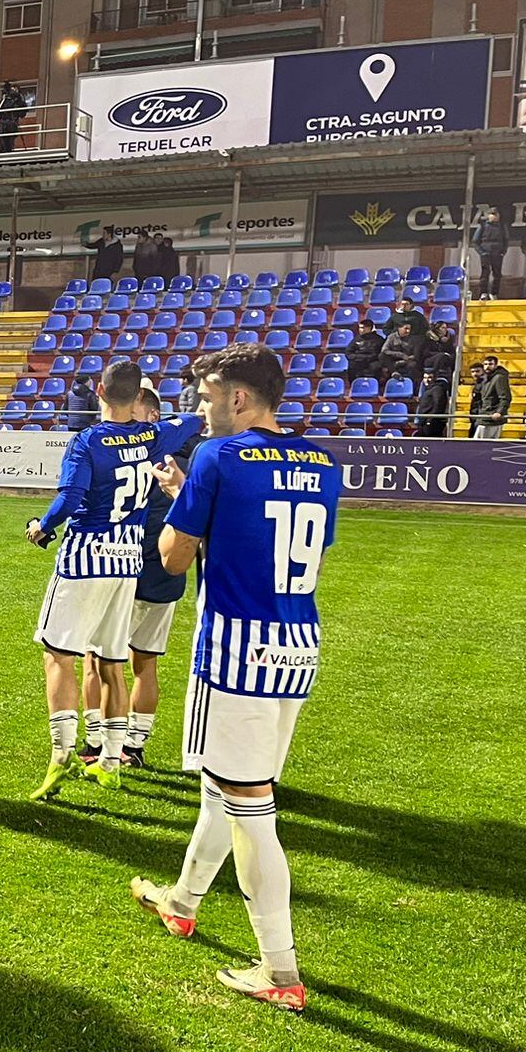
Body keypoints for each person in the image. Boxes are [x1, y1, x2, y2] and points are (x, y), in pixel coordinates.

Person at [129, 343, 341, 1013]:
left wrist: (179, 500)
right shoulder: (320, 460)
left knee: (252, 811)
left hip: (237, 649)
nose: (201, 411)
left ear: (238, 399)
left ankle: (280, 970)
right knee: (230, 788)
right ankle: (183, 901)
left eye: (205, 399)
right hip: (297, 643)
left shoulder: (219, 457)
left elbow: (170, 558)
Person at [26, 359, 163, 800]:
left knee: (58, 655)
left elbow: (70, 497)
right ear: (138, 398)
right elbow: (184, 427)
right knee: (111, 662)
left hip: (85, 559)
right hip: (127, 560)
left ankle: (62, 756)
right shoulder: (152, 435)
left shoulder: (87, 440)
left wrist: (42, 527)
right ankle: (110, 763)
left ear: (99, 394)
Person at [77, 386, 203, 770]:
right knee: (144, 664)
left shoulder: (129, 455)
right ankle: (133, 746)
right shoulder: (194, 461)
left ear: (150, 416)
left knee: (97, 660)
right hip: (166, 576)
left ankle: (98, 742)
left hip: (122, 571)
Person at [376, 318, 425, 392]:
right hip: (393, 360)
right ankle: (394, 373)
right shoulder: (391, 337)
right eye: (406, 329)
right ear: (399, 328)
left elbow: (416, 354)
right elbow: (384, 350)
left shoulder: (413, 339)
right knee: (382, 356)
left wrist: (403, 361)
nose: (408, 331)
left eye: (409, 329)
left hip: (407, 361)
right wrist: (400, 355)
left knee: (414, 365)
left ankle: (410, 388)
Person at [471, 208, 508, 299]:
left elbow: (506, 240)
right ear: (488, 216)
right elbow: (475, 241)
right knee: (485, 274)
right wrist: (481, 252)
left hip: (498, 254)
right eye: (492, 214)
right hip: (485, 253)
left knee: (497, 274)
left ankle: (494, 293)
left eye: (496, 214)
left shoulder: (502, 227)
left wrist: (503, 252)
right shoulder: (482, 226)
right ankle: (483, 293)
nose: (494, 216)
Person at [473, 356, 511, 439]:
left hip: (492, 418)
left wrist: (499, 412)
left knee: (481, 445)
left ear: (496, 365)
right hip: (484, 416)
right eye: (485, 364)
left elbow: (505, 397)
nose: (487, 366)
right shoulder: (486, 379)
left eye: (490, 364)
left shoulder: (499, 378)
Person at [414, 364, 453, 437]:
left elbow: (438, 405)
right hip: (424, 422)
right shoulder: (428, 389)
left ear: (435, 378)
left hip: (432, 424)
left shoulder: (438, 389)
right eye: (425, 378)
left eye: (430, 377)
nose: (427, 380)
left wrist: (430, 420)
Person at [343, 319, 384, 386]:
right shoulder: (356, 339)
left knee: (376, 367)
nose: (360, 330)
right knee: (351, 366)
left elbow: (382, 354)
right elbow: (348, 352)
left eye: (363, 328)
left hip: (372, 362)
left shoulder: (379, 340)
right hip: (359, 362)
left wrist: (371, 358)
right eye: (360, 328)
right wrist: (358, 357)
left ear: (369, 328)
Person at [0, 82, 29, 153]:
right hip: (2, 125)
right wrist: (4, 99)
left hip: (11, 124)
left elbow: (22, 113)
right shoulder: (5, 100)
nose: (12, 92)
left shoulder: (19, 101)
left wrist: (18, 99)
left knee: (9, 145)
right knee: (2, 145)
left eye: (14, 90)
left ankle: (8, 153)